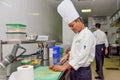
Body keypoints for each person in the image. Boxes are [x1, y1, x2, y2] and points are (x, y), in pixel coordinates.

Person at [51, 0, 96, 80]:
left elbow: (82, 55)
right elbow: (76, 50)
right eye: (69, 27)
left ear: (78, 21)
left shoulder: (87, 34)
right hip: (74, 69)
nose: (71, 29)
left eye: (72, 25)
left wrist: (65, 67)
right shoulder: (77, 35)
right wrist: (67, 55)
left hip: (82, 72)